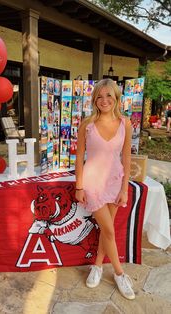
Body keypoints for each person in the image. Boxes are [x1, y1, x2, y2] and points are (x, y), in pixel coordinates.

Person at [75, 78, 135, 300]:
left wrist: (124, 188)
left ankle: (98, 266)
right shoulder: (87, 124)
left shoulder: (125, 123)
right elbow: (79, 157)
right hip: (92, 183)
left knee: (105, 231)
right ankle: (119, 274)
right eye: (99, 96)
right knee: (109, 230)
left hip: (115, 181)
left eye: (108, 95)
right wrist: (79, 186)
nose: (104, 100)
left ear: (116, 98)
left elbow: (126, 158)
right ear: (94, 100)